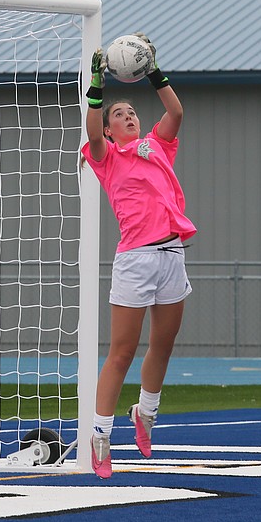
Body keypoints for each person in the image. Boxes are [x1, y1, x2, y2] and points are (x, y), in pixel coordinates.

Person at [80, 34, 196, 479]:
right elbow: (92, 130)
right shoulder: (107, 157)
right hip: (135, 260)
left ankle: (145, 413)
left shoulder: (156, 146)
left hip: (172, 256)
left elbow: (176, 112)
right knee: (122, 352)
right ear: (110, 128)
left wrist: (152, 71)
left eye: (131, 112)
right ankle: (100, 434)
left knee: (162, 345)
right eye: (119, 114)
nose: (128, 116)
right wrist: (96, 86)